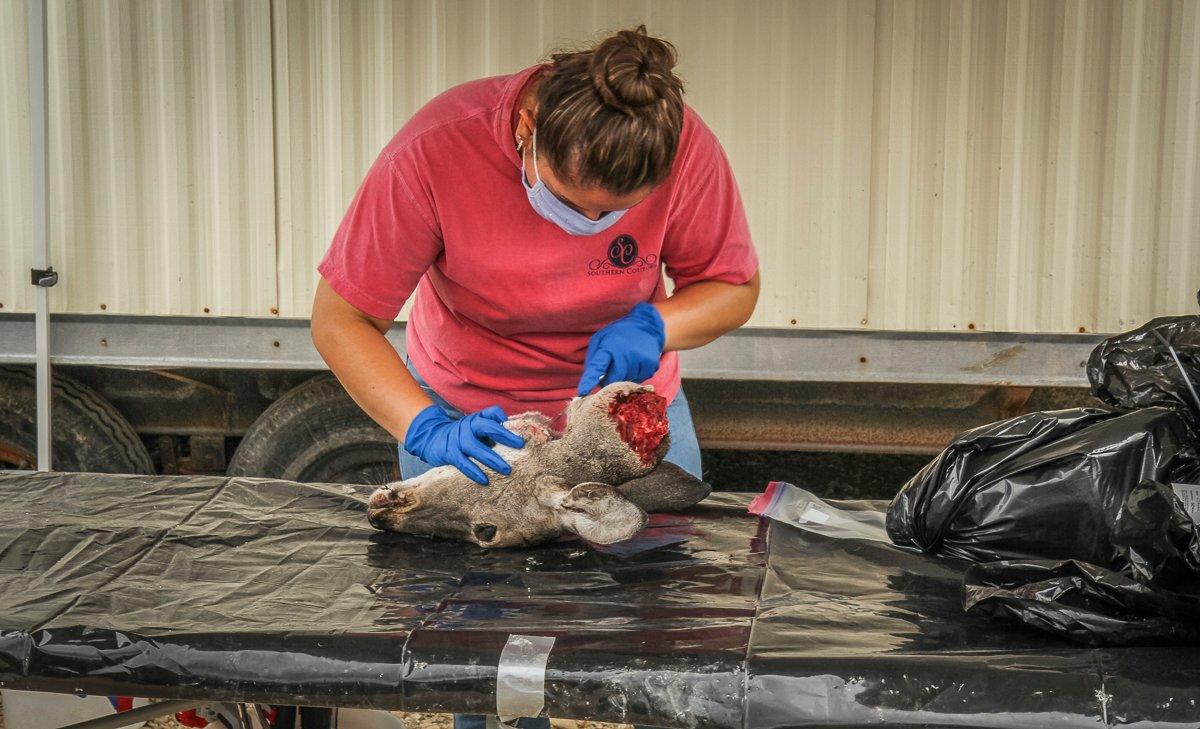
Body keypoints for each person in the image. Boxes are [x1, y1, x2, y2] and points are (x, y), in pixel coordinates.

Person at [311, 26, 759, 729]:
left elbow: (732, 285)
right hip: (469, 424)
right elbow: (340, 319)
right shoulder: (436, 149)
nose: (585, 225)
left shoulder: (683, 147)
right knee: (483, 656)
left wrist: (658, 325)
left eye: (611, 213)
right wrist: (423, 425)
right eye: (569, 199)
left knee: (669, 631)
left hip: (624, 426)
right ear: (525, 130)